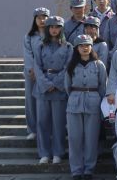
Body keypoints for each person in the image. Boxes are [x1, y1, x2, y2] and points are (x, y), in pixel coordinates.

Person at [65, 34, 107, 180]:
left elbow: (103, 86)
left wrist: (99, 103)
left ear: (91, 47)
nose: (85, 48)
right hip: (74, 103)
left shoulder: (99, 65)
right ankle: (76, 170)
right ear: (76, 48)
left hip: (93, 102)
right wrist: (75, 97)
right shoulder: (71, 65)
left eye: (88, 45)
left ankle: (89, 169)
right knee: (74, 139)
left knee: (91, 139)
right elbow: (67, 86)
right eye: (81, 45)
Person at [33, 16, 73, 165]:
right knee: (42, 122)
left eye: (57, 27)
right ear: (47, 29)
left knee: (59, 123)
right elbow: (37, 66)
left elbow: (68, 67)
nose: (54, 30)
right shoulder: (40, 46)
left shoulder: (68, 47)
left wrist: (56, 83)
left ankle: (58, 152)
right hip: (42, 88)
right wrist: (45, 84)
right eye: (51, 27)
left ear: (62, 29)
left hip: (59, 88)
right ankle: (44, 153)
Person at [24, 7, 49, 140]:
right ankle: (33, 129)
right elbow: (28, 54)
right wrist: (32, 69)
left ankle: (48, 128)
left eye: (44, 17)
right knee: (31, 100)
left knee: (48, 101)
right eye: (39, 18)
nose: (42, 20)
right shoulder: (29, 36)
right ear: (35, 20)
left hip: (48, 72)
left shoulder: (52, 34)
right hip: (32, 73)